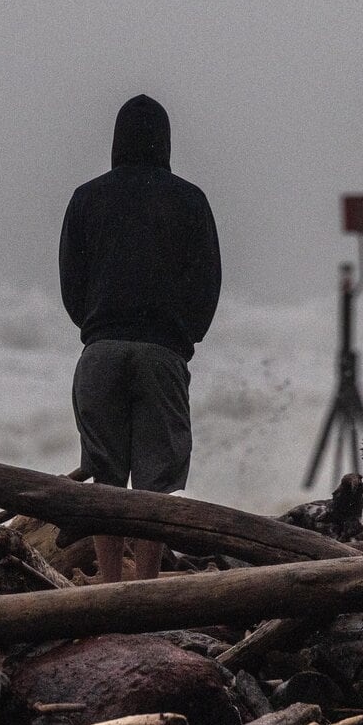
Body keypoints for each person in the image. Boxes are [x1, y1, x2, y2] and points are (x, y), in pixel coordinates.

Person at [59, 94, 221, 582]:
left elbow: (72, 282)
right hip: (162, 352)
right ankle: (146, 584)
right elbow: (208, 283)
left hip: (101, 349)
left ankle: (110, 584)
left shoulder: (87, 197)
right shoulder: (190, 199)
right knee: (155, 486)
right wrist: (182, 338)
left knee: (104, 480)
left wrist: (96, 327)